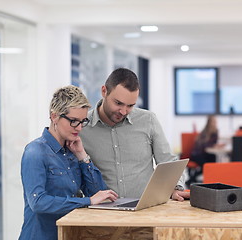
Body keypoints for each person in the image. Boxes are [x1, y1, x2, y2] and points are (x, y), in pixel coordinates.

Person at [19, 86, 118, 240]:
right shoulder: (35, 152)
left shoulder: (72, 151)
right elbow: (38, 202)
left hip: (68, 234)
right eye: (73, 121)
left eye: (82, 121)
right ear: (54, 116)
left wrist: (82, 156)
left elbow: (98, 193)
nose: (79, 128)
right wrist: (87, 201)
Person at [80, 68, 189, 201]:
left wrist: (175, 187)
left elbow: (169, 162)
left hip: (145, 208)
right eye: (118, 103)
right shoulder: (82, 127)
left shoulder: (148, 120)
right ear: (104, 91)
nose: (124, 111)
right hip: (103, 210)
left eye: (130, 105)